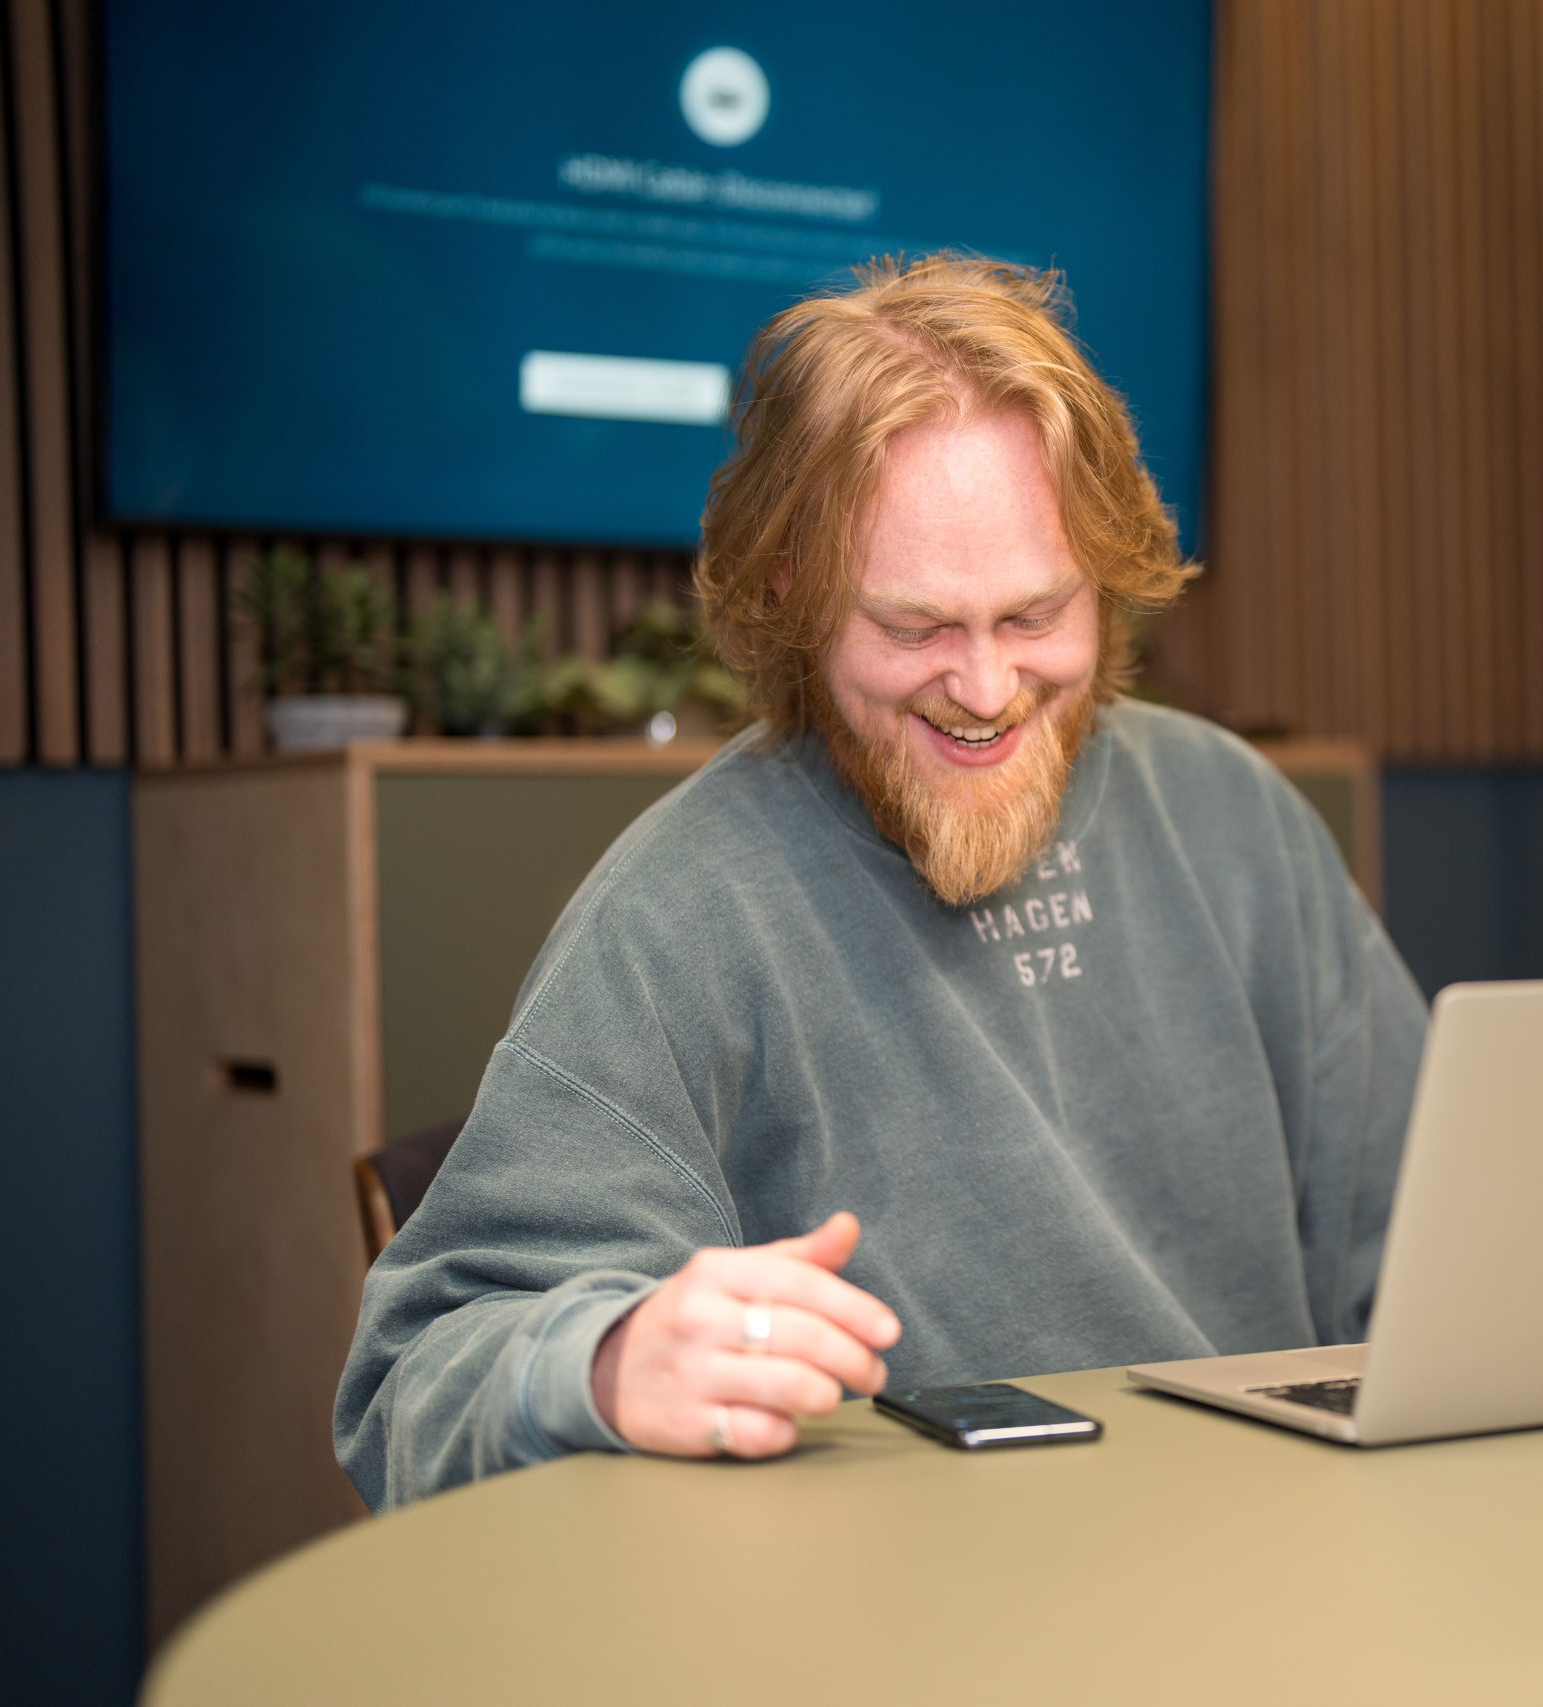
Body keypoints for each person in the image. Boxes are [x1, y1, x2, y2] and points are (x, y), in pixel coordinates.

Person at [336, 255, 1426, 1509]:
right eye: (913, 629)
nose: (984, 689)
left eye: (1034, 616)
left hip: (1267, 1572)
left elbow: (1433, 1267)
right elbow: (407, 1390)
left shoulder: (1232, 819)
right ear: (791, 590)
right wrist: (603, 1361)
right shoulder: (685, 915)